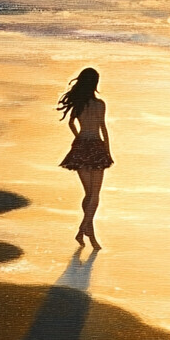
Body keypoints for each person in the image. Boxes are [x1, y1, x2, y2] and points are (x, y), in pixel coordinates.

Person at [58, 67, 113, 250]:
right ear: (95, 83)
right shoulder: (100, 104)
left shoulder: (79, 103)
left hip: (81, 146)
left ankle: (87, 231)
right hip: (96, 146)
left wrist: (77, 138)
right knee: (94, 195)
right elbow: (103, 128)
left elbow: (71, 123)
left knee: (89, 194)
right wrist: (108, 151)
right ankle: (84, 229)